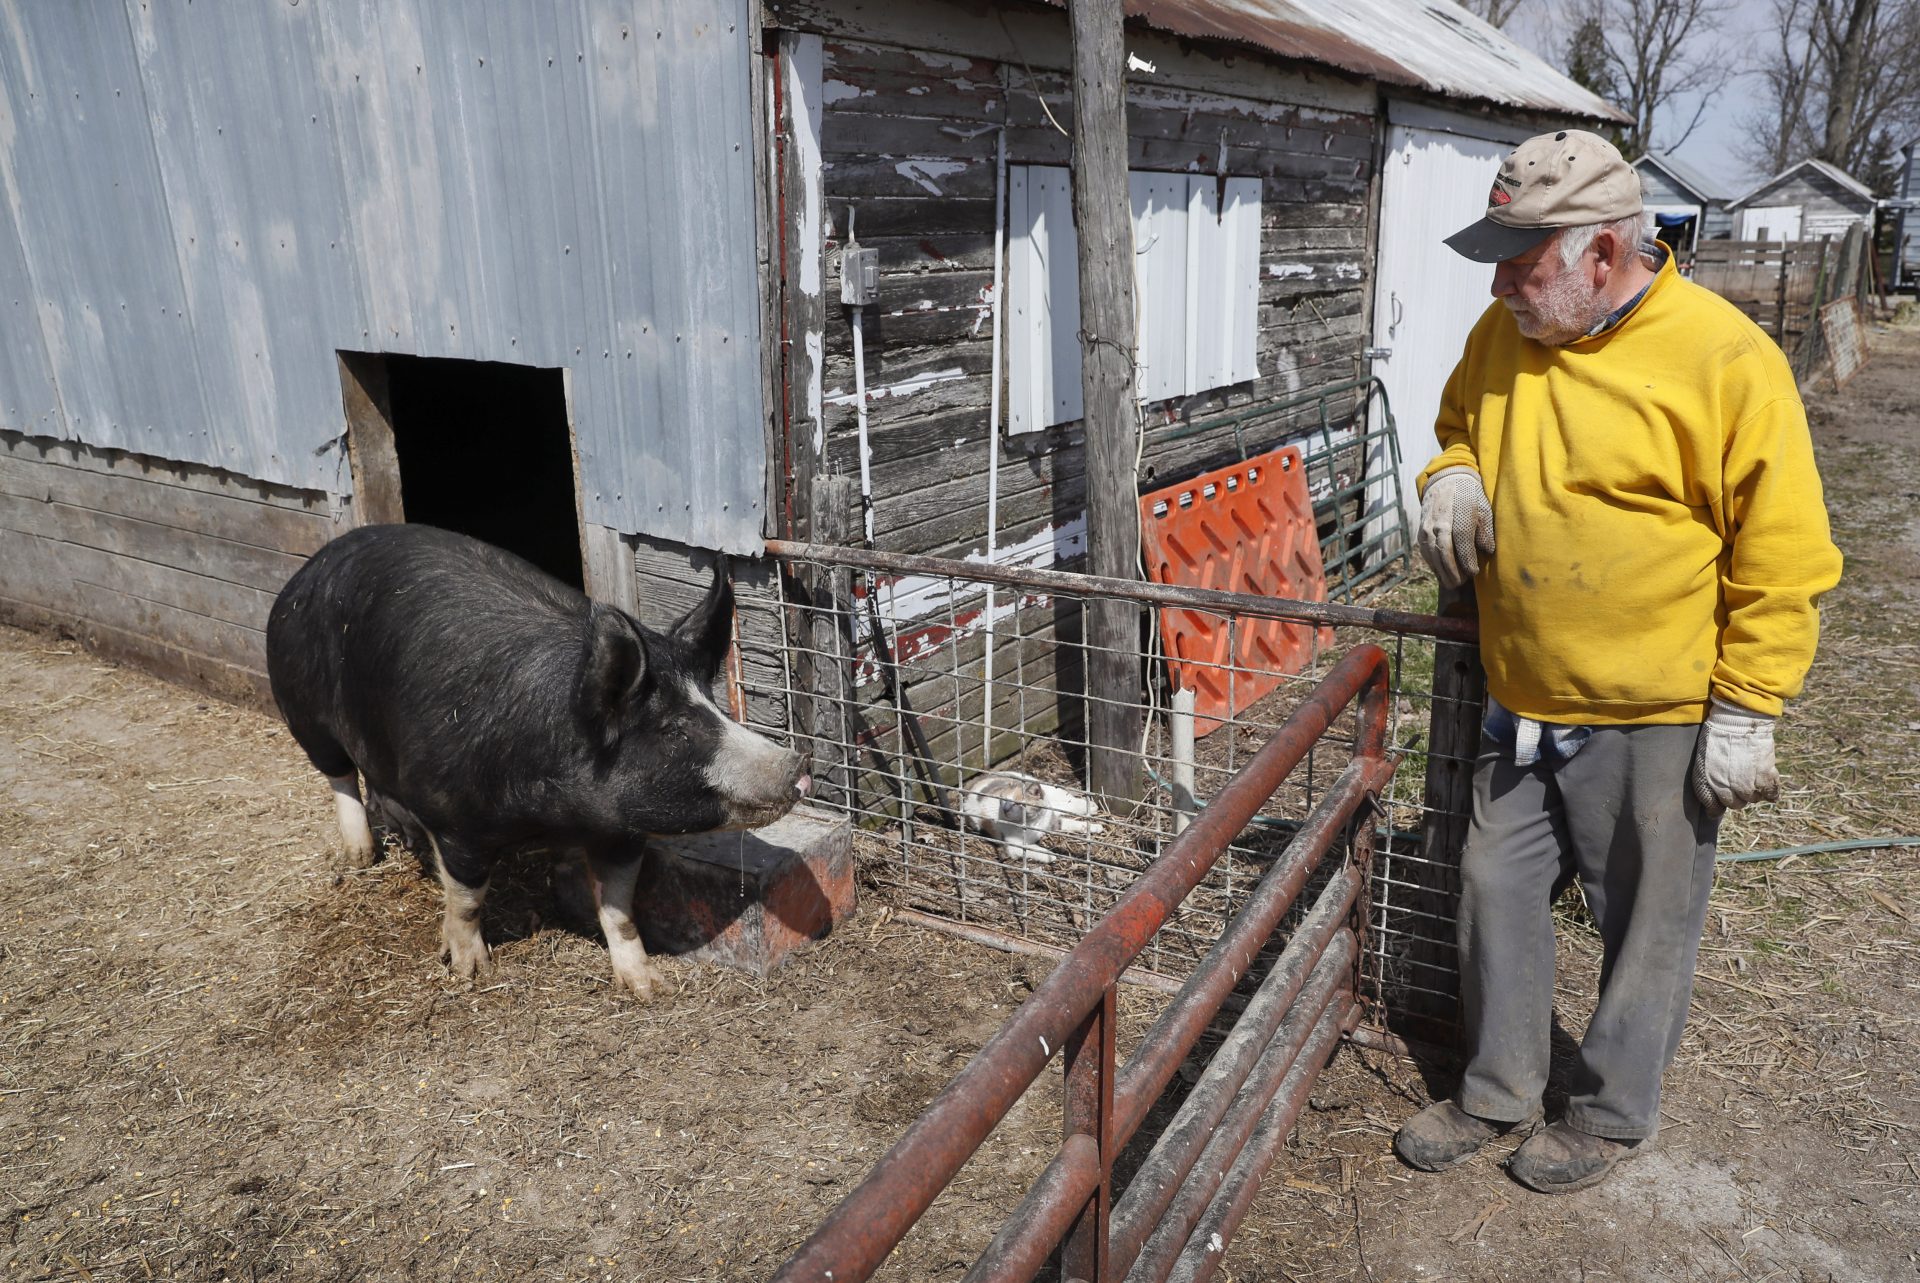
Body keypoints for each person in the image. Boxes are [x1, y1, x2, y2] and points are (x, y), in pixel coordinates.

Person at [1393, 130, 1843, 1194]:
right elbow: (1458, 423)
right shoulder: (1506, 333)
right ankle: (1499, 1088)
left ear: (1603, 253)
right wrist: (1450, 475)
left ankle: (1605, 1111)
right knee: (1492, 887)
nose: (1502, 281)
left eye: (1525, 258)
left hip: (1657, 708)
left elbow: (1784, 550)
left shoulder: (1724, 357)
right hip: (1525, 692)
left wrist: (1749, 704)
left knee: (1644, 920)